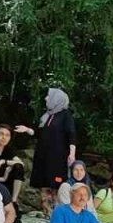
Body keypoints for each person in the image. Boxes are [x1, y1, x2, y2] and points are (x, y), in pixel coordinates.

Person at [15, 88, 76, 216]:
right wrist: (27, 129)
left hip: (57, 157)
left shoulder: (65, 115)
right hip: (43, 156)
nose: (46, 99)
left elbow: (71, 134)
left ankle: (58, 215)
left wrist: (72, 153)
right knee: (44, 184)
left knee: (56, 185)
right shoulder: (48, 115)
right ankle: (47, 213)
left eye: (48, 96)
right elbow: (40, 134)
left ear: (56, 99)